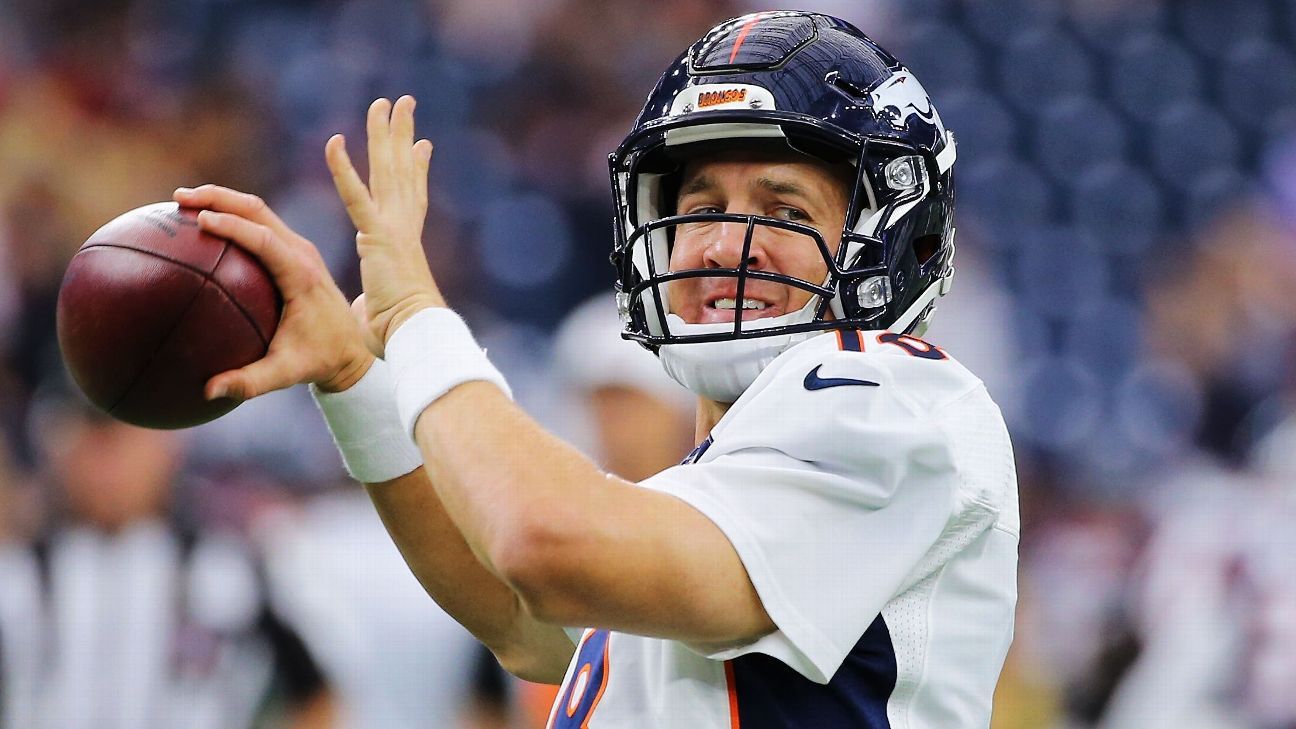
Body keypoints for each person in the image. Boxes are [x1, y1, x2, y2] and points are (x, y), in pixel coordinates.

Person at [172, 11, 1018, 727]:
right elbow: (518, 613)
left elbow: (545, 547)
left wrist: (414, 318)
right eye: (703, 207)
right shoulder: (705, 493)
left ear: (890, 240)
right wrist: (358, 379)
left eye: (782, 208)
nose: (727, 243)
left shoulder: (895, 398)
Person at [0, 380, 333, 729]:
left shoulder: (225, 565)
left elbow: (314, 691)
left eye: (122, 442)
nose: (107, 469)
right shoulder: (19, 572)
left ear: (165, 447)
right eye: (91, 444)